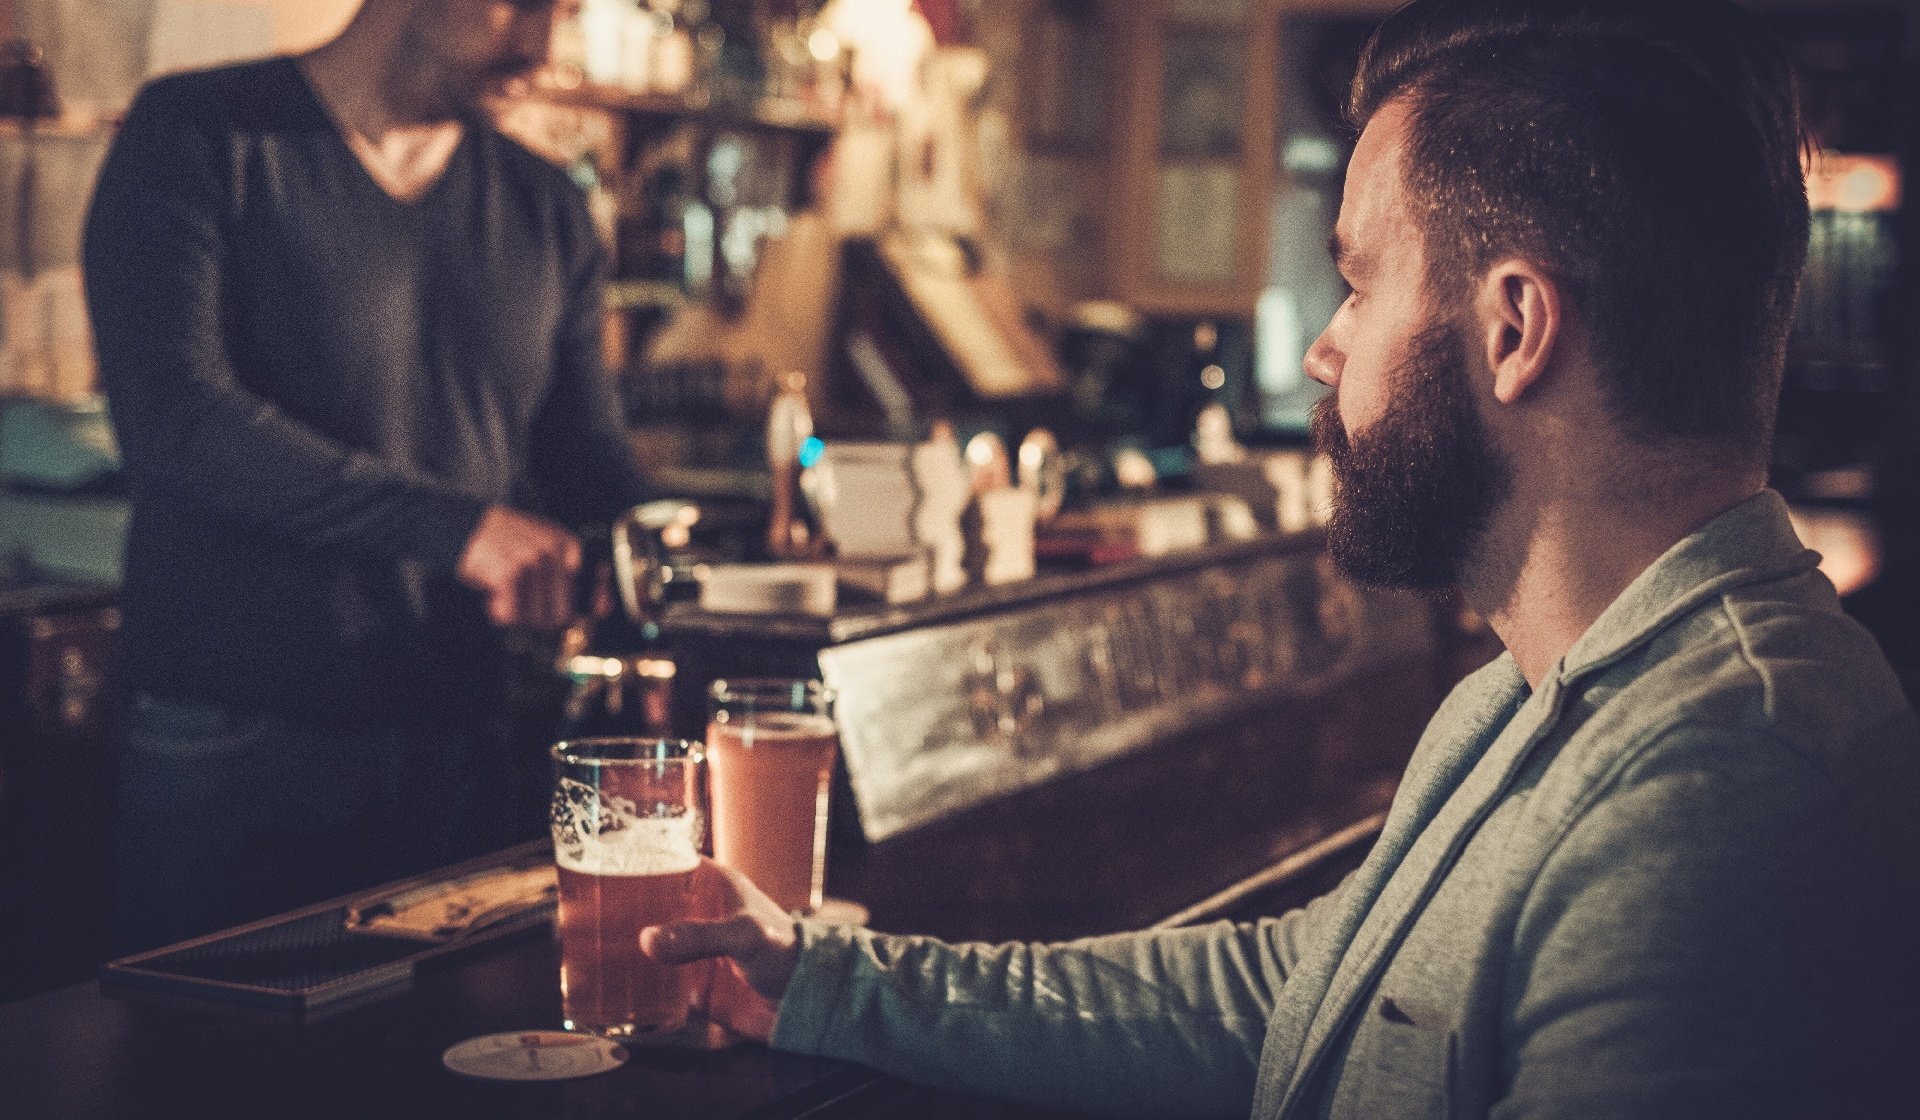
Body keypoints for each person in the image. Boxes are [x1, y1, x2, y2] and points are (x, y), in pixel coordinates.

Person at [639, 1, 1920, 1117]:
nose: (1327, 348)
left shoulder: (1725, 792)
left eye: (1358, 285)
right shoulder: (1528, 699)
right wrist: (827, 980)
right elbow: (1308, 993)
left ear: (1515, 329)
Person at [83, 0, 648, 952]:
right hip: (240, 732)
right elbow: (177, 421)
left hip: (464, 733)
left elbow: (586, 461)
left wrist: (695, 539)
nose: (541, 49)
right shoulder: (199, 134)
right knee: (213, 1083)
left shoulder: (546, 205)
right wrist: (460, 529)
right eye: (524, 4)